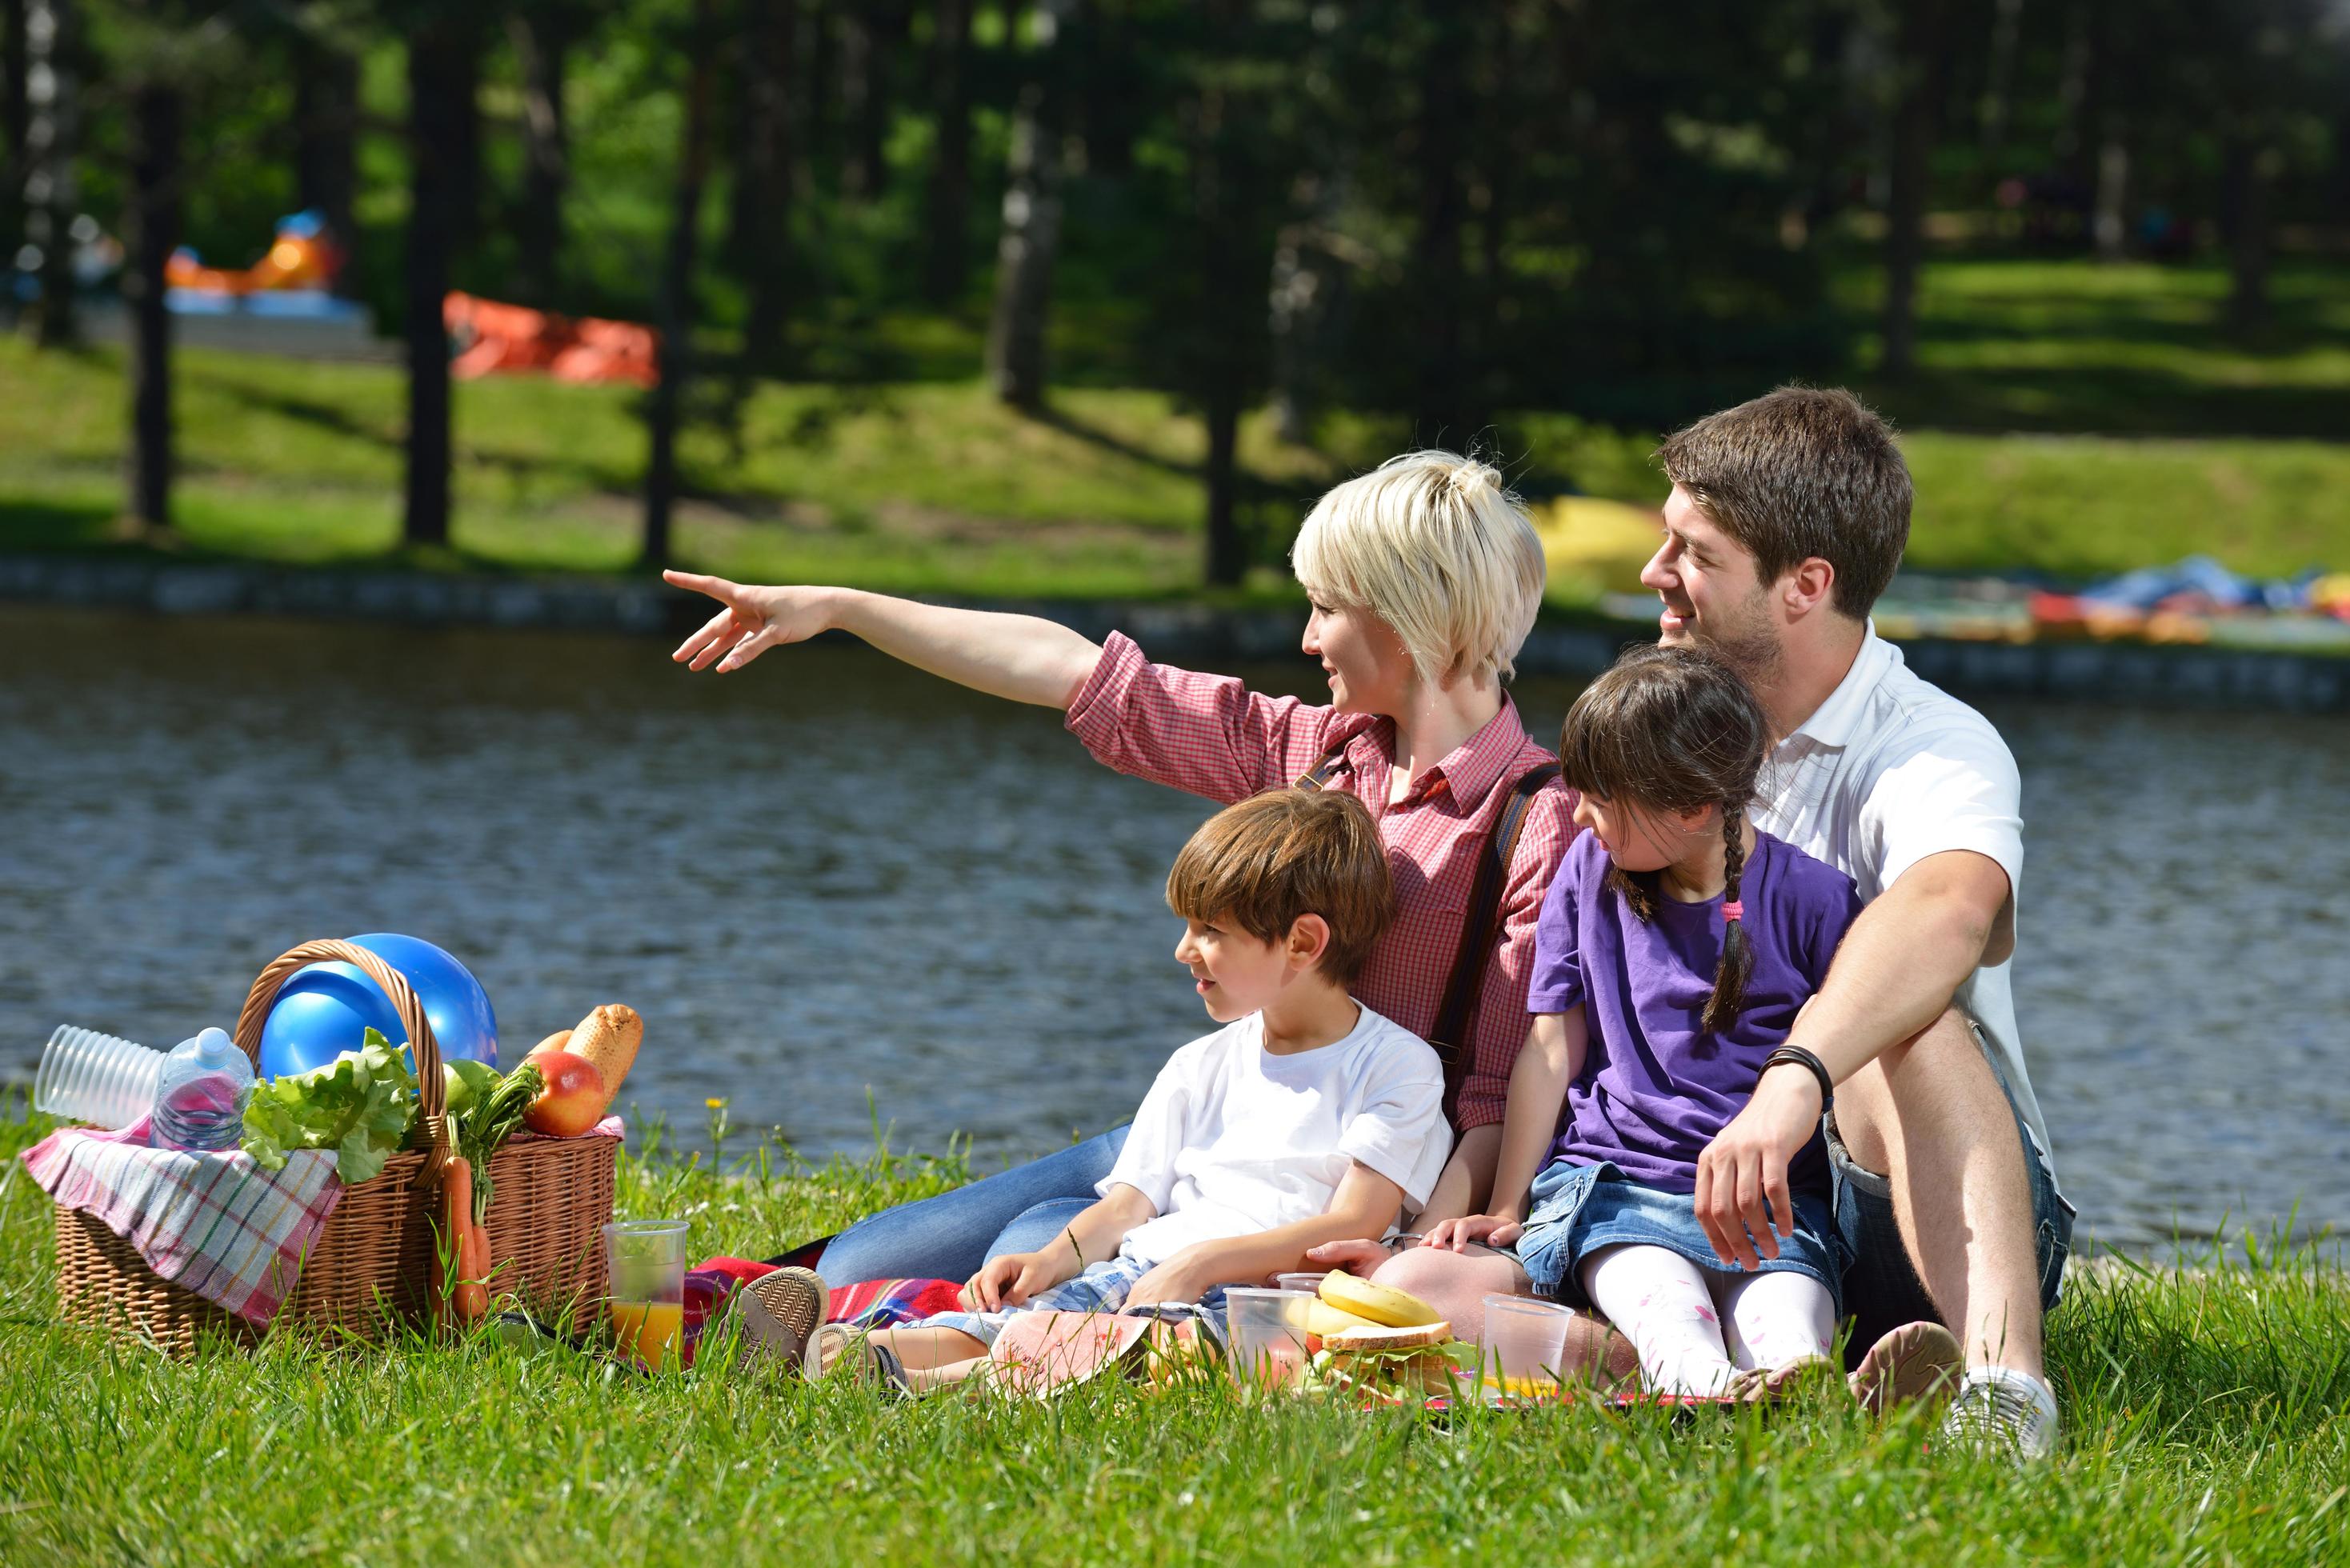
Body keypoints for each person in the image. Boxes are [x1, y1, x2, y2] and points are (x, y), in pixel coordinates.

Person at [1326, 388, 2074, 1457]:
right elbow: (1555, 1029)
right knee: (1423, 1295)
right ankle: (1683, 1371)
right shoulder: (1648, 746)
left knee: (1903, 1013)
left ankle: (2002, 1392)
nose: (1652, 574)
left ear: (1804, 587)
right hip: (1652, 1193)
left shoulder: (1932, 747)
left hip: (1889, 1205)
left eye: (1691, 551)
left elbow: (1948, 910)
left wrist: (1795, 1080)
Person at [663, 450, 1575, 1284]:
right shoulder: (1311, 753)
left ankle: (1007, 1308)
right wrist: (840, 607)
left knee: (1031, 1248)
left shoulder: (1535, 818)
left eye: (1328, 608)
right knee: (854, 1264)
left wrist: (1421, 1253)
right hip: (1214, 1132)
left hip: (1341, 1178)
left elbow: (1495, 1091)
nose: (1307, 638)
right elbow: (1075, 671)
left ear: (1414, 613)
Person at [807, 788, 1453, 1393]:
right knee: (1009, 1324)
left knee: (1156, 1352)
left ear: (1302, 942)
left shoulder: (1394, 1064)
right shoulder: (1198, 1063)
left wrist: (1203, 1265)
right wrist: (1052, 1258)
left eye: (1210, 931)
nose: (1183, 950)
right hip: (1142, 1270)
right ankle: (854, 1353)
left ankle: (916, 1381)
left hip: (1264, 1298)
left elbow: (1356, 1220)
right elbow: (1126, 1207)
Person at [1419, 645, 1873, 1399]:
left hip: (1770, 1211)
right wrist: (1508, 1201)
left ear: (1693, 806)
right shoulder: (1586, 874)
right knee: (1668, 1314)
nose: (1577, 813)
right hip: (1618, 1193)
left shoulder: (1817, 900)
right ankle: (1704, 1387)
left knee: (1785, 1321)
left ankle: (1807, 1387)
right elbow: (1548, 1047)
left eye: (1599, 798)